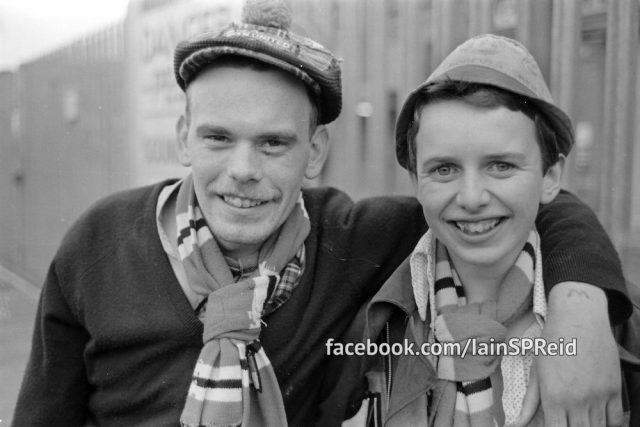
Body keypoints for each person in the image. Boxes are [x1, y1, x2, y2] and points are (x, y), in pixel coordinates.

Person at [11, 2, 632, 426]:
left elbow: (526, 205)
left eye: (274, 143)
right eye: (218, 137)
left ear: (314, 153)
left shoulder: (354, 239)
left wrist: (580, 307)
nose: (243, 169)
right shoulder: (99, 244)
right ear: (184, 138)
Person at [339, 34, 636, 426]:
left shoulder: (617, 329)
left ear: (550, 177)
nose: (472, 197)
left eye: (501, 166)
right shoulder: (372, 321)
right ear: (416, 181)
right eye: (444, 169)